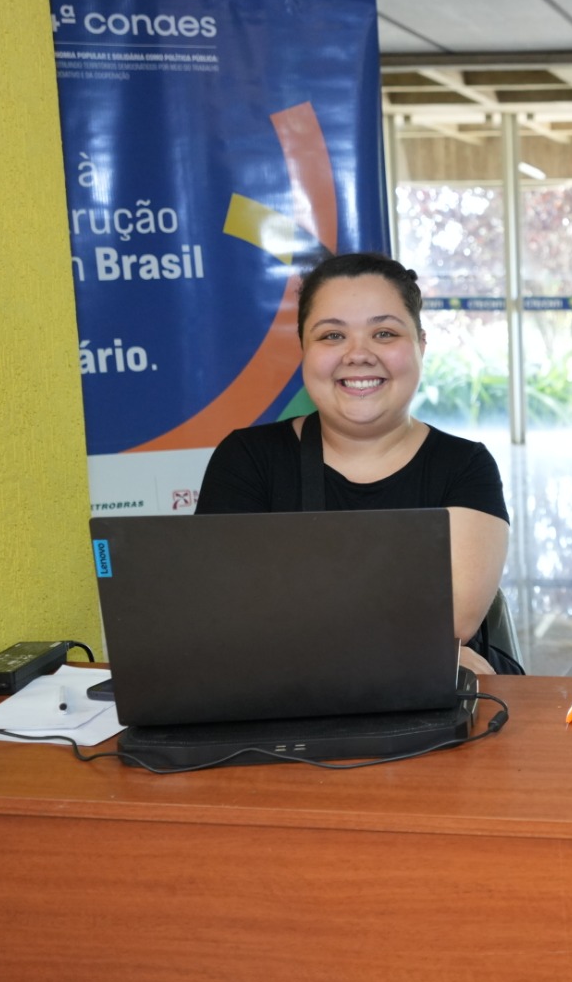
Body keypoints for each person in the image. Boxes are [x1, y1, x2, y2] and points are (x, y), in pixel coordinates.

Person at [197, 252, 513, 676]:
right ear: (304, 349)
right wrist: (417, 641)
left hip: (428, 705)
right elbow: (224, 614)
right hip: (280, 702)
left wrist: (291, 615)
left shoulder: (464, 466)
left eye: (384, 333)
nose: (358, 354)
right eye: (332, 335)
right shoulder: (248, 460)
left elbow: (454, 622)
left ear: (420, 345)